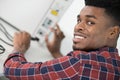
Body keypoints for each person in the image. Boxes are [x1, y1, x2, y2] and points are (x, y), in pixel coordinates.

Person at [4, 0, 120, 80]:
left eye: (90, 22)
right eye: (79, 20)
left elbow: (11, 70)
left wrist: (18, 48)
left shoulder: (77, 64)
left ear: (113, 32)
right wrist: (56, 53)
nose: (78, 27)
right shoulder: (115, 65)